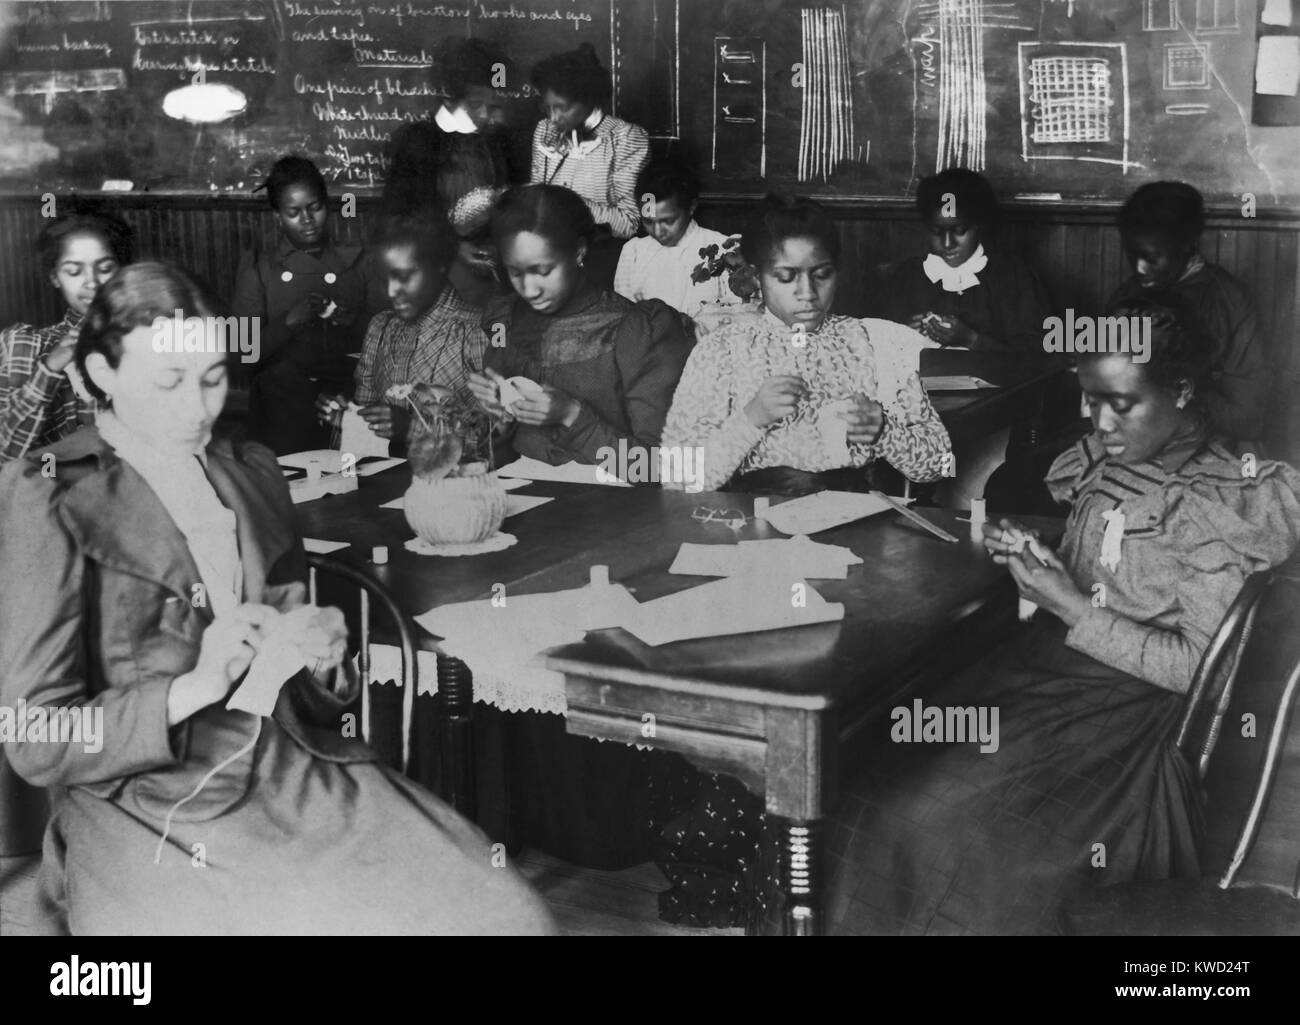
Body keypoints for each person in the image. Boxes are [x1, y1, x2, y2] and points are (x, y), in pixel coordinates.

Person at [0, 262, 555, 936]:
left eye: (211, 379)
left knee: (509, 917)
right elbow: (35, 734)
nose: (196, 408)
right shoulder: (48, 495)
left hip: (291, 766)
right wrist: (195, 685)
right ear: (102, 374)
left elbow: (309, 681)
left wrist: (324, 656)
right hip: (146, 801)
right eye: (168, 382)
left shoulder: (252, 473)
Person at [660, 194, 952, 495]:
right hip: (756, 527)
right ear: (756, 277)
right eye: (786, 278)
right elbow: (677, 478)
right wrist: (751, 419)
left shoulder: (876, 342)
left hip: (860, 520)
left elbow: (942, 464)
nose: (808, 293)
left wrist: (885, 432)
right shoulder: (723, 351)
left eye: (822, 275)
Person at [467, 184, 691, 469]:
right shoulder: (507, 322)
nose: (529, 289)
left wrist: (572, 416)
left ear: (578, 252)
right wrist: (496, 413)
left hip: (614, 503)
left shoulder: (639, 331)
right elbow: (500, 448)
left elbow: (661, 468)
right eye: (516, 273)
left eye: (543, 271)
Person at [231, 155, 383, 455]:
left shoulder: (357, 260)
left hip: (347, 406)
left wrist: (350, 318)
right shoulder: (259, 267)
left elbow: (391, 340)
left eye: (315, 208)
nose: (307, 220)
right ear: (277, 216)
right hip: (281, 414)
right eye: (293, 212)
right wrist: (290, 321)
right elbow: (240, 355)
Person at [1109, 181, 1271, 446]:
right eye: (1132, 254)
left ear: (1187, 244)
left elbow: (1249, 419)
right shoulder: (1127, 294)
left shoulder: (1230, 300)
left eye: (1151, 257)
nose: (1138, 269)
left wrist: (1163, 382)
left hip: (1205, 443)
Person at [315, 207, 489, 454]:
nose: (390, 291)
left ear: (439, 264)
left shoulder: (476, 332)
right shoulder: (382, 328)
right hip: (389, 486)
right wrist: (347, 418)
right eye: (384, 279)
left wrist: (412, 427)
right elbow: (367, 443)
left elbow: (495, 437)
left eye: (404, 277)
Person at [383, 38, 516, 308]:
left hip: (494, 280)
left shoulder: (499, 141)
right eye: (481, 105)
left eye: (495, 106)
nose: (493, 117)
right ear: (451, 98)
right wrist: (454, 247)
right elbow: (400, 217)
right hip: (436, 278)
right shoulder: (416, 143)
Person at [0, 205, 132, 464]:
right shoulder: (25, 345)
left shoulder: (145, 339)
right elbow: (5, 454)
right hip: (48, 492)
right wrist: (49, 370)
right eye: (74, 271)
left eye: (105, 268)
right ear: (55, 277)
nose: (91, 282)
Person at [874, 168, 1054, 356]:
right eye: (937, 231)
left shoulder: (1013, 277)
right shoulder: (907, 275)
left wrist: (972, 340)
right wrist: (903, 334)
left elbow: (1039, 355)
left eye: (959, 230)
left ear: (979, 225)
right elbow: (879, 348)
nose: (947, 243)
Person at [529, 44, 649, 287]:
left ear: (588, 100)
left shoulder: (626, 137)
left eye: (562, 107)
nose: (553, 118)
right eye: (548, 107)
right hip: (547, 260)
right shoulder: (544, 130)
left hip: (601, 266)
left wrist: (568, 202)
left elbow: (629, 224)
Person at [613, 159, 743, 319]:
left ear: (691, 207)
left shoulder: (723, 247)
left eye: (667, 221)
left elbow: (739, 312)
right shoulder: (633, 252)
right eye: (648, 222)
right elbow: (625, 316)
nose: (658, 231)